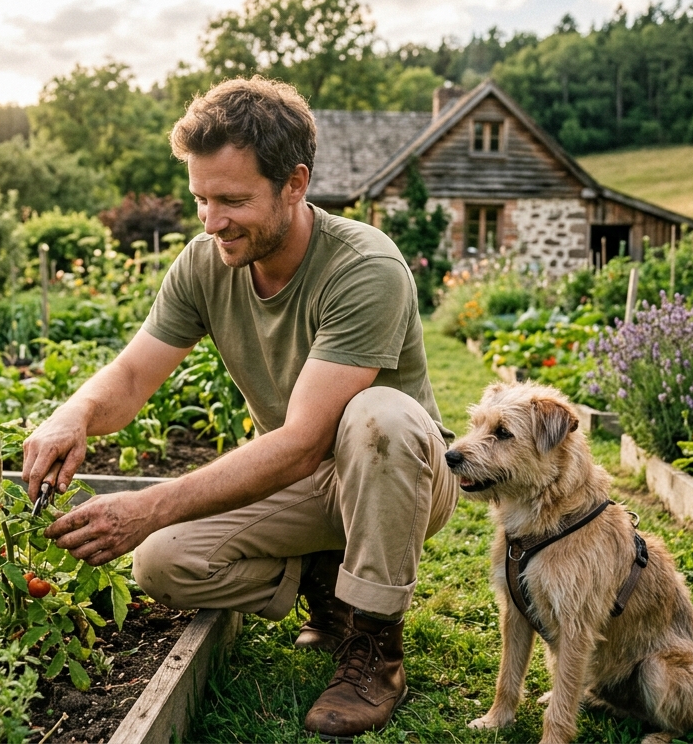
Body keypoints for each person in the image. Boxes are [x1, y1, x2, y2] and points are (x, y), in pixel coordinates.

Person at [24, 77, 458, 738]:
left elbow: (306, 440)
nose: (211, 221)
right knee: (162, 562)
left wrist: (148, 506)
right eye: (201, 198)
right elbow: (134, 374)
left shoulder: (364, 266)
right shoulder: (205, 264)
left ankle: (375, 647)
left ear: (295, 184)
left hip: (400, 477)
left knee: (379, 416)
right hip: (303, 482)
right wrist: (73, 415)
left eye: (232, 200)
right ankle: (324, 580)